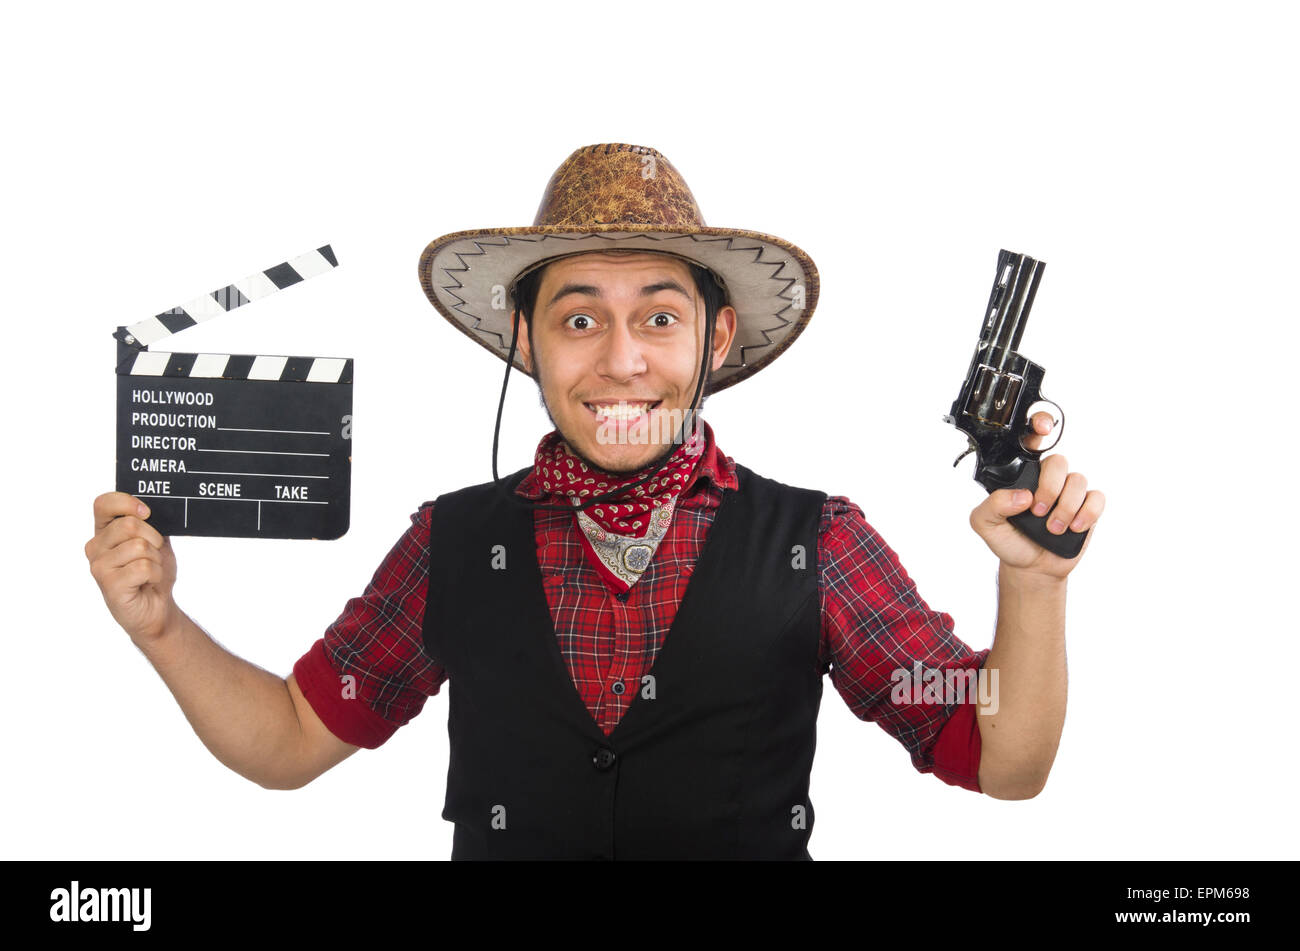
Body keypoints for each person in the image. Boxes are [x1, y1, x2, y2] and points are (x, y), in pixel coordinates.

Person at [86, 143, 1104, 860]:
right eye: (580, 318)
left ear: (711, 340)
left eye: (657, 317)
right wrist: (162, 626)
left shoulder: (817, 543)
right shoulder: (451, 543)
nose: (622, 363)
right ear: (525, 341)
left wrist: (1035, 586)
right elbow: (292, 738)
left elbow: (997, 756)